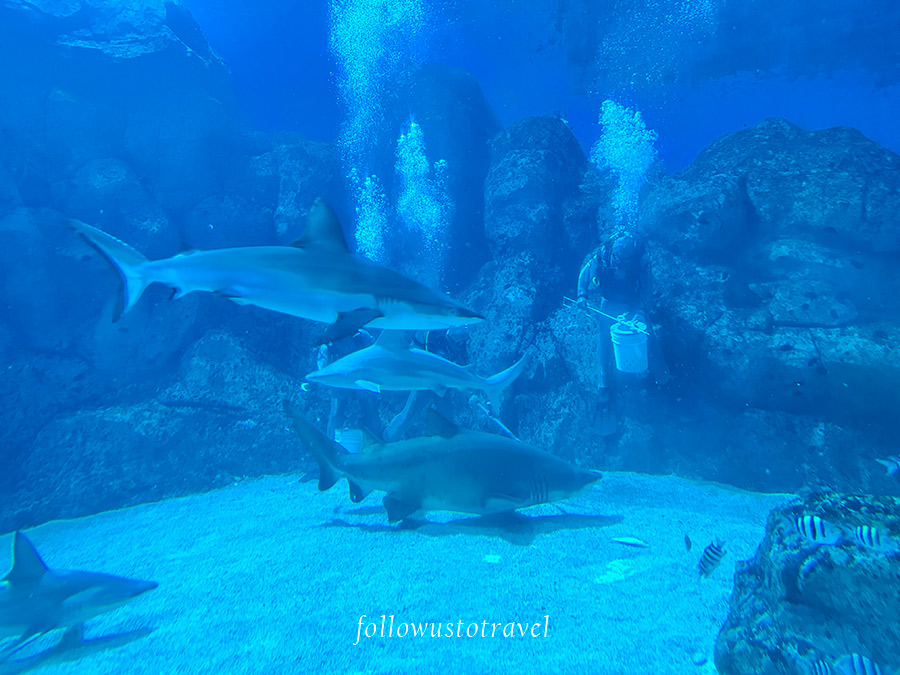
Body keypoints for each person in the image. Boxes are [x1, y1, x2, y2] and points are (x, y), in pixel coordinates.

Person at [576, 228, 670, 435]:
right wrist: (581, 295)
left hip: (633, 302)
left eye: (625, 259)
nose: (620, 263)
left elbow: (647, 291)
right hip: (609, 302)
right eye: (618, 257)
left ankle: (664, 378)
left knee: (648, 338)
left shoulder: (641, 261)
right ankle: (603, 384)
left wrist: (639, 313)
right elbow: (585, 272)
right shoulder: (604, 255)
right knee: (605, 340)